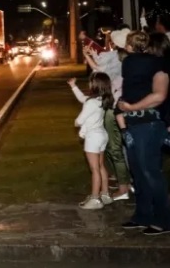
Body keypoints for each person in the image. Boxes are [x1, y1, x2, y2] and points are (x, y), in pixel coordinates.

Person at [116, 31, 170, 235]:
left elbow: (159, 96)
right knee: (138, 172)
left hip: (149, 124)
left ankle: (165, 219)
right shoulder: (132, 65)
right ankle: (143, 215)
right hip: (134, 124)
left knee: (150, 172)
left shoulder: (160, 66)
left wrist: (131, 108)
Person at [82, 28, 132, 200]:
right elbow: (99, 67)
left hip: (116, 106)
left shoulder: (121, 60)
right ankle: (125, 181)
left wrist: (88, 55)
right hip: (125, 105)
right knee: (121, 147)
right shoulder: (127, 59)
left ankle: (124, 187)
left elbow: (98, 69)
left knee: (115, 148)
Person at [68, 73, 113, 210]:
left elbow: (79, 121)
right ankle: (105, 194)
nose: (89, 84)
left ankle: (95, 199)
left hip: (93, 137)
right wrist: (73, 86)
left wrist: (77, 123)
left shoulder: (92, 102)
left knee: (94, 169)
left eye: (91, 82)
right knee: (100, 166)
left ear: (95, 85)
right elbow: (83, 99)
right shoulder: (101, 100)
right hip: (102, 134)